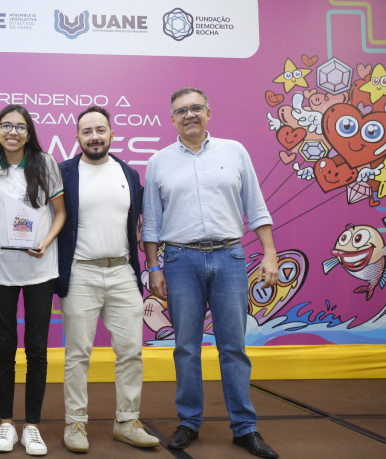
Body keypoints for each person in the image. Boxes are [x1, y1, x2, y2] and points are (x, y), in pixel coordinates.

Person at [142, 87, 280, 458]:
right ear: (171, 118)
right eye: (181, 110)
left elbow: (257, 206)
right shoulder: (158, 162)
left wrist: (270, 253)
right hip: (180, 262)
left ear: (208, 112)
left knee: (233, 347)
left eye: (196, 108)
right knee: (185, 347)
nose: (189, 114)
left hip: (229, 258)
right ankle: (189, 422)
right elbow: (151, 223)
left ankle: (244, 428)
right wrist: (153, 266)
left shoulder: (234, 151)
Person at [55, 106, 160, 453]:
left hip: (123, 272)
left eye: (100, 130)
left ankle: (127, 421)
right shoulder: (63, 173)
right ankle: (75, 424)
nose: (94, 137)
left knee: (131, 352)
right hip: (80, 271)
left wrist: (151, 264)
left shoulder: (128, 174)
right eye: (87, 131)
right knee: (77, 354)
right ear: (78, 138)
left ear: (112, 134)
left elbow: (145, 224)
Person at [0, 105, 66, 456]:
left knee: (37, 348)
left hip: (40, 271)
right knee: (4, 348)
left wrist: (46, 241)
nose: (12, 132)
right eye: (5, 125)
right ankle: (5, 424)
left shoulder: (46, 164)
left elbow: (60, 214)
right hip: (1, 271)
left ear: (29, 132)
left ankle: (32, 426)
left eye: (20, 126)